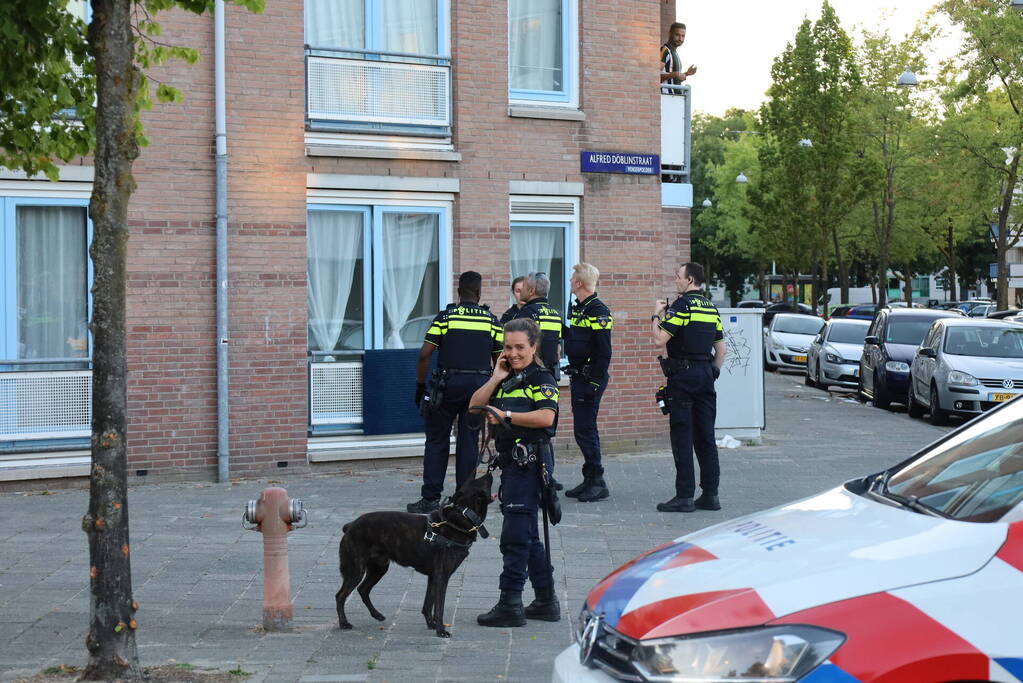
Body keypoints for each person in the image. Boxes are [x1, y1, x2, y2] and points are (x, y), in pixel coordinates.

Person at [472, 317, 561, 627]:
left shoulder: (542, 378)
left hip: (530, 463)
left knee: (514, 536)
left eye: (520, 347)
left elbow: (546, 417)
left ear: (533, 346)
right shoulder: (506, 377)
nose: (513, 353)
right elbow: (475, 407)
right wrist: (495, 377)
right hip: (511, 464)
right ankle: (546, 600)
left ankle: (510, 603)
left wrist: (507, 414)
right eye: (508, 347)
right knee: (529, 535)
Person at [407, 271, 504, 514]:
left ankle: (430, 499)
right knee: (468, 441)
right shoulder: (491, 321)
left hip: (447, 386)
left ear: (458, 292)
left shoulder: (446, 318)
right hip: (478, 389)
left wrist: (421, 386)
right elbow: (499, 360)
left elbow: (424, 355)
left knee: (437, 440)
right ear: (479, 293)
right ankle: (464, 497)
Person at [651, 263, 726, 513]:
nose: (676, 280)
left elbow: (659, 339)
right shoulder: (711, 308)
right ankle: (710, 495)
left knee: (682, 436)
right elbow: (721, 350)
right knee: (706, 436)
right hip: (705, 375)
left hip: (683, 377)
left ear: (690, 279)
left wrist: (656, 315)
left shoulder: (682, 306)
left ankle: (684, 496)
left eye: (678, 277)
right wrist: (712, 371)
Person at [563, 263, 613, 503]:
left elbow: (604, 352)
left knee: (586, 428)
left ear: (579, 283)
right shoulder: (579, 308)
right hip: (579, 377)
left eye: (573, 277)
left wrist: (594, 383)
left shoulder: (598, 310)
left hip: (590, 378)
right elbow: (574, 338)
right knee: (582, 429)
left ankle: (597, 482)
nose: (571, 280)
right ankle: (589, 478)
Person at [515, 272, 563, 380]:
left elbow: (518, 345)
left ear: (531, 291)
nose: (521, 290)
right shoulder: (555, 314)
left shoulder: (526, 313)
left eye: (524, 286)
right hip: (549, 377)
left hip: (529, 376)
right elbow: (557, 350)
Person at [660, 22, 696, 94]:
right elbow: (653, 75)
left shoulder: (675, 52)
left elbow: (673, 79)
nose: (680, 39)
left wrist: (686, 74)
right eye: (677, 35)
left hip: (675, 97)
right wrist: (675, 74)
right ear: (670, 34)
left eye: (683, 36)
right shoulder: (665, 50)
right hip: (666, 96)